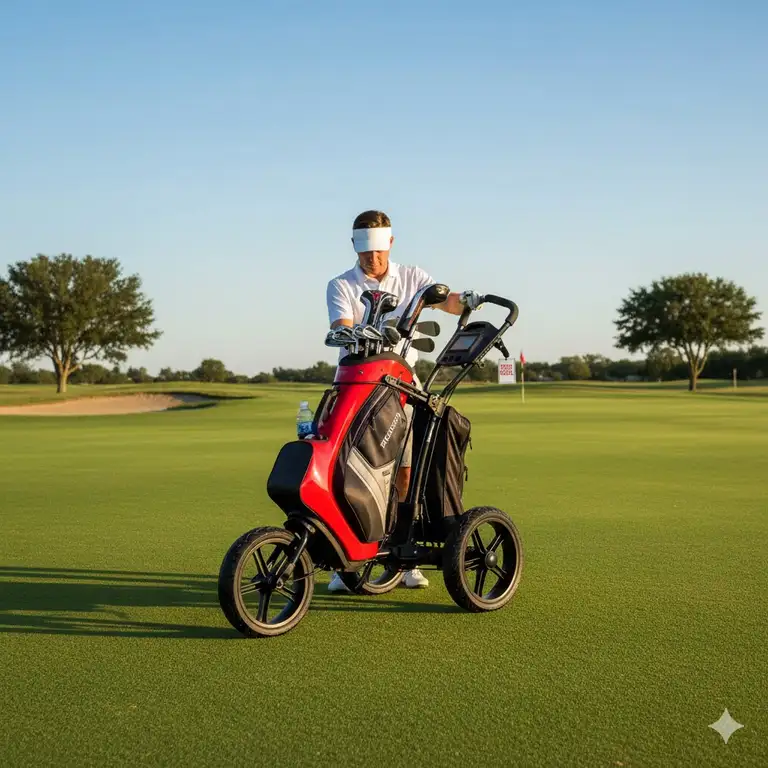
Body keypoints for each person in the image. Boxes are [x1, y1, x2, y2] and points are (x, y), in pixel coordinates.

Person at [325, 209, 482, 591]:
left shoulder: (413, 277)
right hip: (357, 388)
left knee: (404, 472)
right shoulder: (341, 285)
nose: (372, 258)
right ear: (354, 247)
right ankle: (342, 560)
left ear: (390, 243)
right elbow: (341, 328)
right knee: (345, 471)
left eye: (378, 250)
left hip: (402, 391)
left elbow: (448, 302)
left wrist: (470, 300)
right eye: (365, 251)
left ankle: (404, 557)